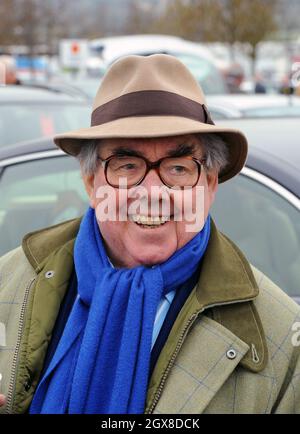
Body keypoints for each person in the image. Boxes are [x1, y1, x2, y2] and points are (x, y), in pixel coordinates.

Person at [0, 54, 299, 414]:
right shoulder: (8, 283)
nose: (153, 191)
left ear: (209, 184)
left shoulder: (282, 337)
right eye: (126, 166)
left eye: (178, 167)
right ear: (91, 181)